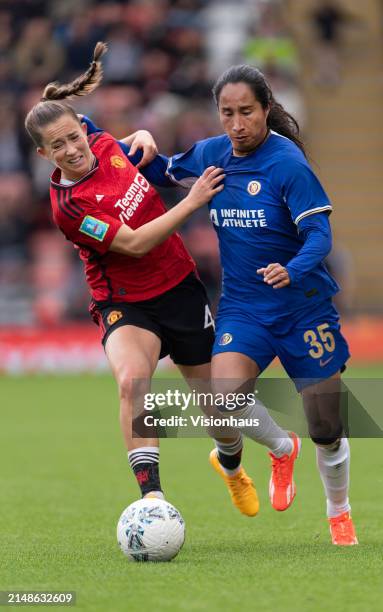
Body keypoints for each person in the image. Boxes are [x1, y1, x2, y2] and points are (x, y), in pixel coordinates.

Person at [89, 64, 357, 545]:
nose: (236, 124)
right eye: (227, 113)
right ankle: (273, 451)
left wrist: (292, 268)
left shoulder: (288, 165)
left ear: (267, 110)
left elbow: (319, 234)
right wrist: (128, 139)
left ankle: (339, 511)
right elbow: (160, 169)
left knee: (327, 426)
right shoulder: (214, 155)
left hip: (304, 309)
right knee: (224, 398)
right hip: (245, 307)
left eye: (247, 112)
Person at [24, 42, 230, 505]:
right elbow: (135, 244)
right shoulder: (69, 208)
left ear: (83, 128)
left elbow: (123, 150)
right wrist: (193, 200)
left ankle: (229, 458)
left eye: (73, 137)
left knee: (215, 402)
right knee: (132, 382)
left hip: (178, 285)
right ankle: (151, 499)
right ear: (43, 154)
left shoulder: (98, 140)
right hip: (124, 300)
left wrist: (139, 134)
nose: (71, 149)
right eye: (57, 146)